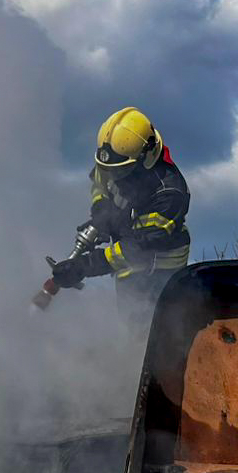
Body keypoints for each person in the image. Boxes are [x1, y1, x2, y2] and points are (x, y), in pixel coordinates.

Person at [49, 107, 191, 319]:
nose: (114, 176)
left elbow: (140, 247)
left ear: (146, 157)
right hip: (127, 264)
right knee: (129, 317)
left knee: (152, 330)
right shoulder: (116, 161)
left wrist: (85, 265)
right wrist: (101, 212)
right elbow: (99, 183)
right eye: (110, 169)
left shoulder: (169, 192)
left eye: (121, 171)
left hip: (159, 270)